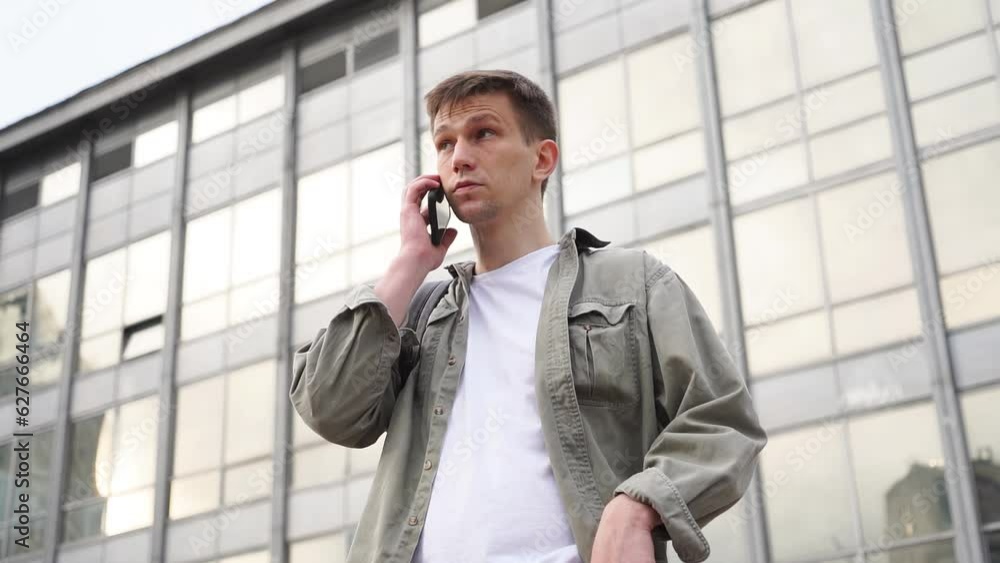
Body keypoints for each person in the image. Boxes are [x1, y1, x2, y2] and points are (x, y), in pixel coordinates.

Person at [289, 69, 766, 563]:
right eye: (445, 143)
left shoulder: (633, 284)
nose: (459, 158)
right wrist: (410, 261)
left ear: (542, 159)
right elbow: (329, 408)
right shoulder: (419, 311)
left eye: (483, 133)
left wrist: (638, 506)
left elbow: (722, 420)